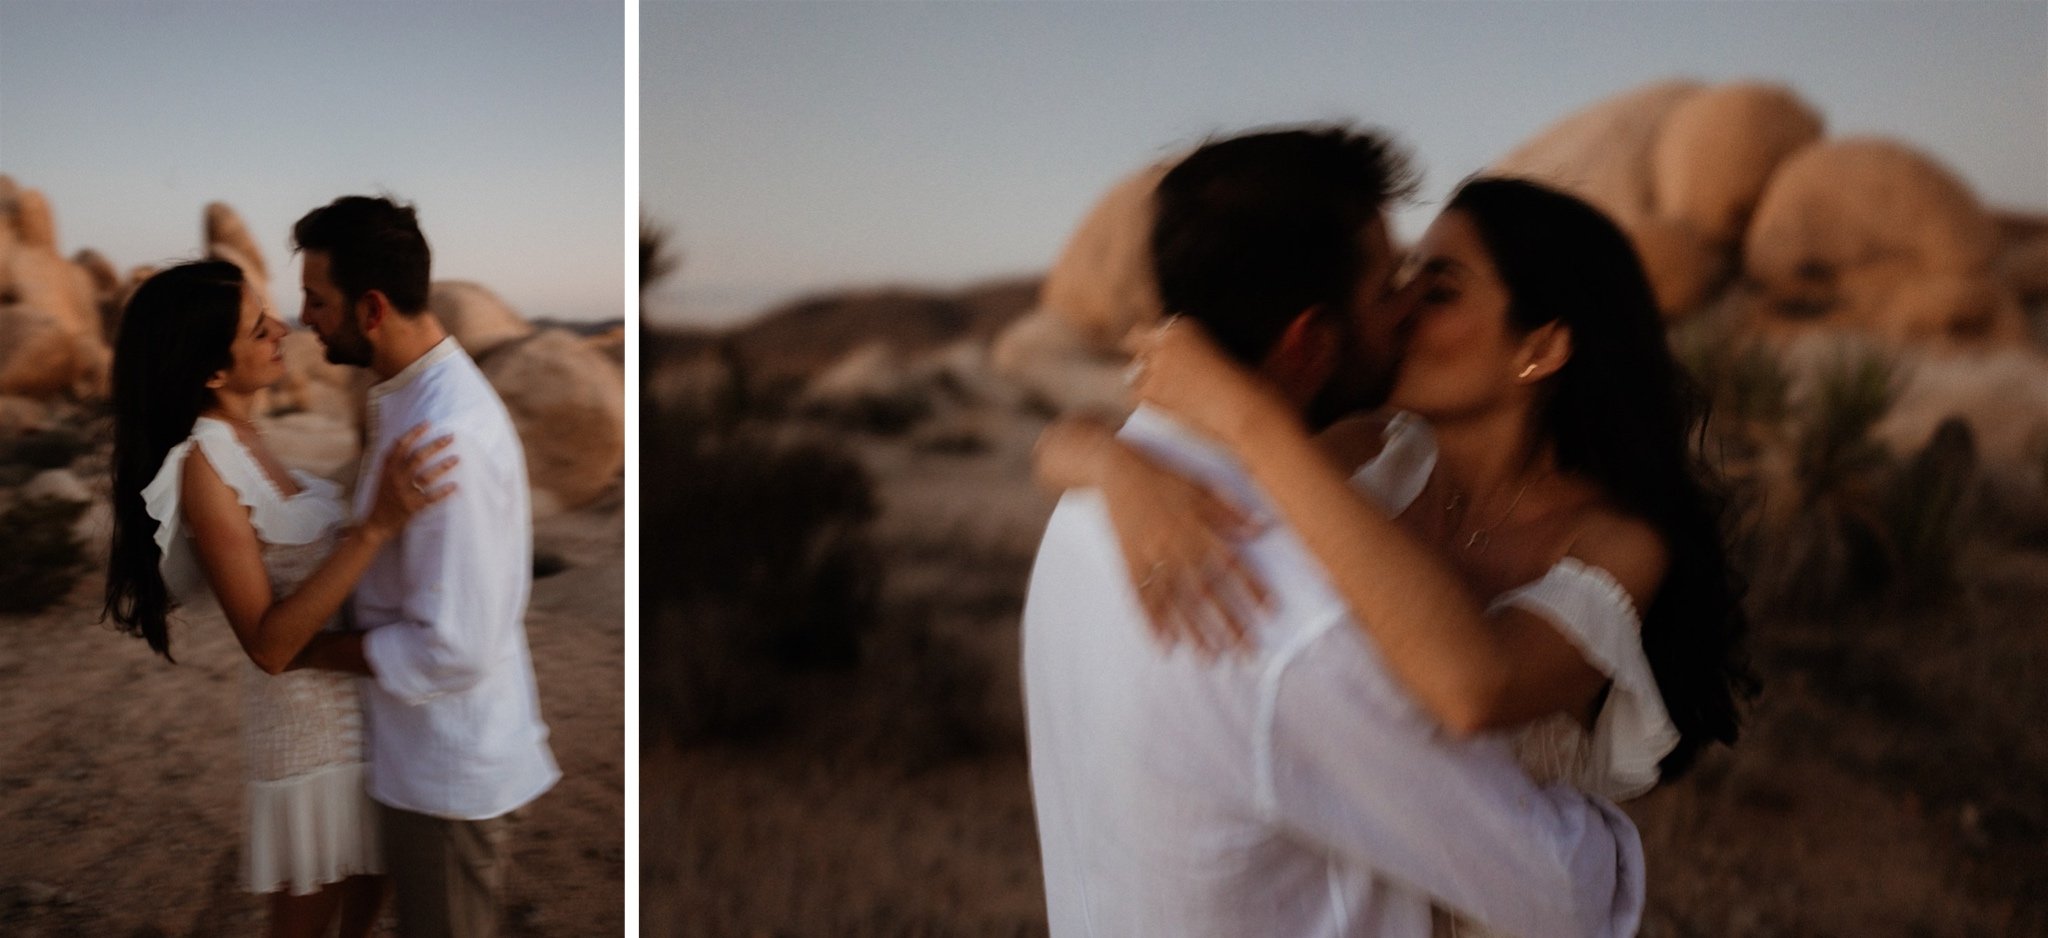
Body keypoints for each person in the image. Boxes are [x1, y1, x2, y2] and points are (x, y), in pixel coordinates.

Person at [1040, 176, 1758, 934]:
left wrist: (1250, 420)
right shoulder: (1379, 451)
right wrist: (1113, 467)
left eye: (1440, 289)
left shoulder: (1614, 542)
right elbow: (1064, 441)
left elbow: (1470, 686)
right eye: (1405, 276)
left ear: (1539, 348)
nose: (1402, 307)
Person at [105, 259, 456, 938]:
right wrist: (376, 526)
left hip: (359, 719)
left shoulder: (250, 439)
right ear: (210, 370)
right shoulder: (205, 467)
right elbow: (267, 645)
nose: (282, 328)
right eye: (256, 326)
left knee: (357, 918)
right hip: (305, 739)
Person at [286, 195, 559, 938]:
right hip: (415, 758)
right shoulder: (411, 399)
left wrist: (309, 649)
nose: (304, 317)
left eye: (317, 299)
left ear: (371, 307)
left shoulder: (446, 432)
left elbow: (455, 647)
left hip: (447, 771)